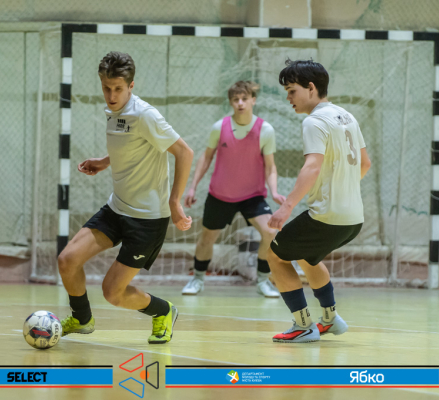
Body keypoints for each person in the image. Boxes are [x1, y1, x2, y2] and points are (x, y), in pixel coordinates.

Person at [57, 51, 194, 344]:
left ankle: (163, 311)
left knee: (113, 293)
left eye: (118, 88)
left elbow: (185, 152)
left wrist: (175, 202)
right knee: (67, 260)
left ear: (131, 86)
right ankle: (82, 320)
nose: (111, 95)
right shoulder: (114, 111)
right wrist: (104, 161)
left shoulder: (145, 115)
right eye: (106, 88)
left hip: (147, 220)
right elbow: (132, 145)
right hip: (117, 208)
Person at [267, 59, 371, 343]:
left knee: (275, 256)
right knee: (307, 256)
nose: (288, 98)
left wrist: (286, 206)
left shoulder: (314, 121)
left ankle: (303, 326)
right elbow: (365, 163)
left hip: (328, 217)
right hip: (354, 219)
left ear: (311, 88)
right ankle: (330, 319)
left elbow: (312, 166)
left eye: (292, 91)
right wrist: (342, 189)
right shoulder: (347, 116)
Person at [182, 81, 285, 297]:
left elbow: (270, 166)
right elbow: (206, 158)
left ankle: (263, 281)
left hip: (252, 196)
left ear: (253, 100)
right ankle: (197, 279)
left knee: (270, 232)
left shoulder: (265, 130)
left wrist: (274, 191)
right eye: (236, 99)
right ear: (230, 102)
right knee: (207, 239)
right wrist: (192, 187)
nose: (240, 103)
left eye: (244, 99)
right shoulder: (219, 127)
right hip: (220, 195)